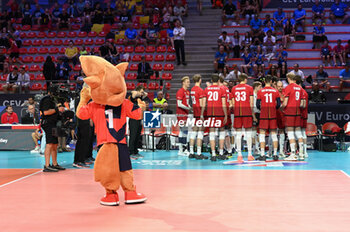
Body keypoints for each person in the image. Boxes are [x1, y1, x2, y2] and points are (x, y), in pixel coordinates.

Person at [231, 73, 256, 163]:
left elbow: (233, 103)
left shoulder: (234, 88)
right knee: (248, 133)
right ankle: (249, 154)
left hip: (238, 112)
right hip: (247, 112)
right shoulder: (249, 88)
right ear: (245, 79)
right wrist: (252, 113)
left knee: (238, 134)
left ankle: (239, 155)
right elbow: (252, 103)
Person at [39, 87, 66, 172]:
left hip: (54, 123)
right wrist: (57, 109)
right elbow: (45, 112)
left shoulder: (54, 101)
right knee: (49, 143)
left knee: (55, 144)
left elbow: (55, 112)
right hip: (48, 123)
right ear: (50, 92)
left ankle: (55, 164)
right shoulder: (46, 99)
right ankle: (47, 165)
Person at [202, 74, 228, 161]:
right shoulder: (222, 89)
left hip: (210, 113)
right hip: (219, 113)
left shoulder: (206, 89)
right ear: (218, 80)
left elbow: (204, 104)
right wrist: (226, 115)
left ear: (211, 80)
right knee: (221, 132)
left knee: (212, 133)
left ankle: (213, 154)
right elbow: (224, 103)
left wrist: (203, 113)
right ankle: (220, 153)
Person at [256, 75, 281, 161]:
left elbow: (257, 104)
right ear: (271, 81)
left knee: (262, 134)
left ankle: (262, 154)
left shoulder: (260, 91)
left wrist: (262, 109)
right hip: (273, 115)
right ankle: (275, 154)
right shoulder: (275, 91)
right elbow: (278, 104)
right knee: (274, 134)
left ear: (264, 81)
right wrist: (274, 109)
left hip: (263, 115)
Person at [281, 73, 306, 161]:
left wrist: (281, 108)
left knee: (291, 133)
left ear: (288, 78)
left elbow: (285, 102)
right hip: (297, 112)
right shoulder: (300, 88)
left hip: (289, 112)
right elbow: (303, 104)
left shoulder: (288, 87)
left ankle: (293, 154)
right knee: (299, 134)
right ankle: (302, 153)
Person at [189, 74, 207, 160]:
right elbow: (202, 104)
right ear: (199, 80)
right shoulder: (200, 90)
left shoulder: (192, 89)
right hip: (199, 113)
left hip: (195, 113)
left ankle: (191, 152)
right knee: (200, 133)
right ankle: (199, 153)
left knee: (194, 132)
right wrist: (202, 114)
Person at [128, 85, 148, 158]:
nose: (142, 93)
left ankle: (135, 151)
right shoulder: (133, 98)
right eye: (141, 92)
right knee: (133, 136)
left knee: (137, 136)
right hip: (133, 119)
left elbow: (146, 94)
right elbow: (133, 92)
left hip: (139, 119)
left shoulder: (140, 99)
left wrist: (141, 93)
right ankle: (131, 152)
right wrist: (138, 92)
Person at [176, 76, 191, 156]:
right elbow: (179, 104)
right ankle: (183, 149)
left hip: (185, 113)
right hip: (181, 113)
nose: (189, 83)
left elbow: (187, 102)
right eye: (187, 82)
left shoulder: (187, 92)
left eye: (189, 81)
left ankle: (182, 150)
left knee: (184, 131)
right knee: (183, 131)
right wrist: (188, 107)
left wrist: (189, 107)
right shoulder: (180, 91)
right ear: (183, 82)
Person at [298, 76, 309, 159]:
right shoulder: (304, 92)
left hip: (301, 115)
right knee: (302, 133)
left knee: (300, 133)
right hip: (303, 115)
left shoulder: (302, 92)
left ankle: (303, 152)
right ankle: (303, 152)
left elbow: (303, 105)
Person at [276, 81, 286, 157]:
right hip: (274, 115)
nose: (280, 88)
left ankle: (281, 151)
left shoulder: (285, 93)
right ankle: (271, 151)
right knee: (272, 132)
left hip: (282, 116)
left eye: (281, 86)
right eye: (279, 86)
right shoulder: (274, 93)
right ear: (276, 86)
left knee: (282, 132)